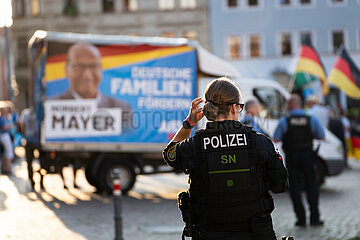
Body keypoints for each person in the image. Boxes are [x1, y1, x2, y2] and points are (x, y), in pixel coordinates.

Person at [163, 77, 288, 240]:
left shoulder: (195, 145)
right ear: (234, 108)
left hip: (209, 233)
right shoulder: (259, 142)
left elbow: (170, 154)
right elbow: (280, 185)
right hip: (255, 233)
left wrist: (189, 122)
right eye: (240, 106)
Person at [274, 94, 325, 227]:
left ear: (290, 105)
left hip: (292, 157)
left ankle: (301, 219)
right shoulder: (310, 119)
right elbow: (321, 136)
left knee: (295, 188)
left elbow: (276, 138)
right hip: (308, 156)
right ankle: (315, 218)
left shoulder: (285, 120)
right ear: (300, 105)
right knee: (312, 187)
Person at [50, 43, 132, 126]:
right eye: (79, 66)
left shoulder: (121, 108)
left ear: (101, 69)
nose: (87, 75)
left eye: (93, 66)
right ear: (66, 69)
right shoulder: (50, 106)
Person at [0, 105, 14, 174]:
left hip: (4, 136)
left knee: (5, 153)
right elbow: (4, 127)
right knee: (9, 152)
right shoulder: (2, 118)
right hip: (4, 136)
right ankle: (7, 168)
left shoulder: (5, 118)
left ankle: (4, 168)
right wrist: (9, 126)